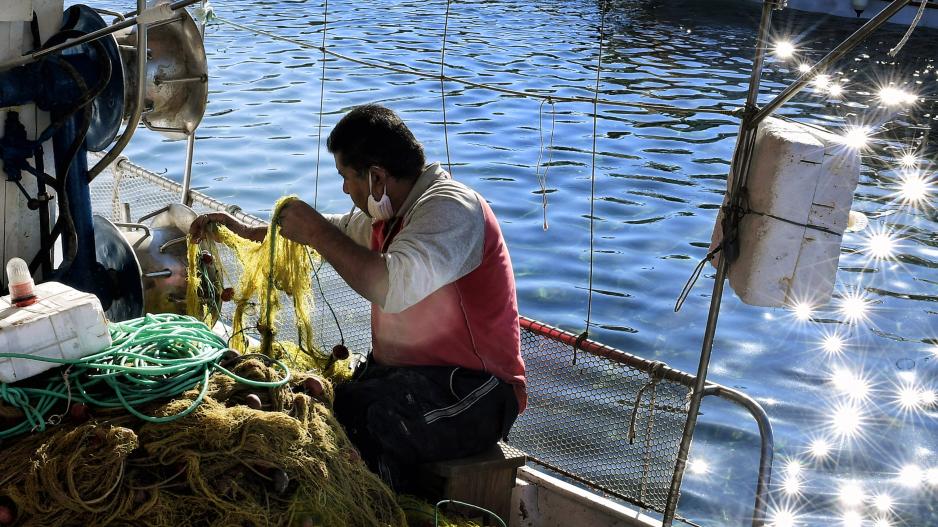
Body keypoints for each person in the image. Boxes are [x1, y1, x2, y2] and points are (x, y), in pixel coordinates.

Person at [189, 104, 526, 492]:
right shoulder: (386, 211)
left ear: (377, 176)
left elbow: (388, 287)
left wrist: (315, 231)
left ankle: (383, 507)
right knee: (318, 406)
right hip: (403, 379)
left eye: (346, 178)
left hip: (477, 392)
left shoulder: (451, 209)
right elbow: (332, 234)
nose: (346, 191)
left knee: (376, 426)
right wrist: (245, 231)